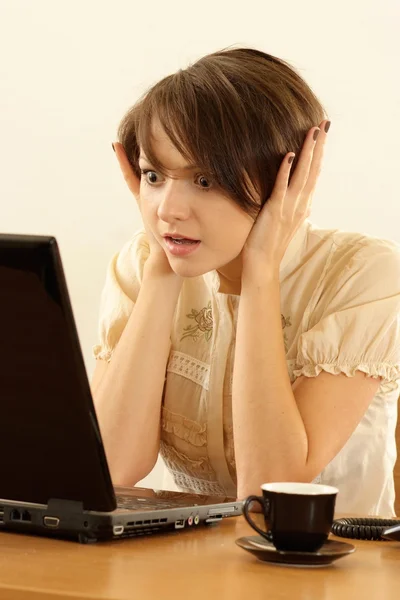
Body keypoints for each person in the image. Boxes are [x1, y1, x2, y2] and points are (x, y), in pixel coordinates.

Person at [90, 47, 400, 517]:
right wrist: (159, 271)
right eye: (154, 175)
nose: (169, 209)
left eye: (206, 180)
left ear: (289, 176)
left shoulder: (362, 275)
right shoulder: (141, 265)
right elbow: (110, 467)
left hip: (337, 577)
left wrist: (261, 273)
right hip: (198, 570)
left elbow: (266, 489)